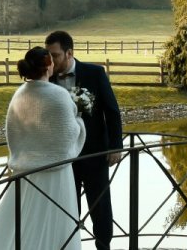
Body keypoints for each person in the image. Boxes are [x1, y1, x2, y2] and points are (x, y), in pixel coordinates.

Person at [0, 46, 86, 250]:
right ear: (48, 66)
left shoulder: (19, 94)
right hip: (55, 174)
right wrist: (80, 123)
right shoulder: (59, 95)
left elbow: (13, 131)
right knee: (57, 220)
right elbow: (67, 135)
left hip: (25, 173)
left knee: (22, 221)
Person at [45, 31, 123, 250]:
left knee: (100, 205)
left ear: (69, 53)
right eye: (48, 55)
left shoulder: (94, 73)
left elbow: (112, 111)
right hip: (63, 156)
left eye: (55, 55)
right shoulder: (47, 78)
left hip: (94, 152)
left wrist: (116, 146)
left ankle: (104, 246)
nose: (50, 61)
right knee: (67, 206)